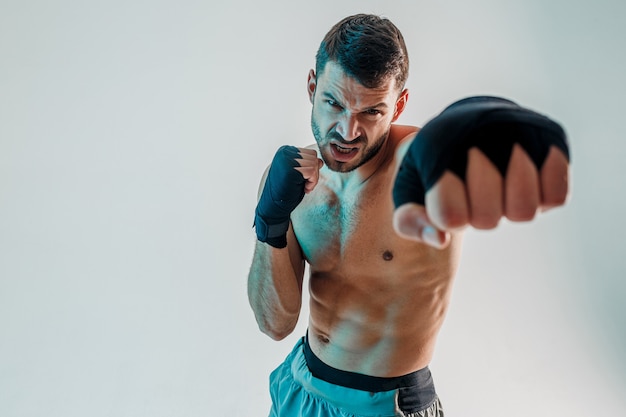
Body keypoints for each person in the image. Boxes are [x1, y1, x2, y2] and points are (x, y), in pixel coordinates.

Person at [248, 14, 570, 417]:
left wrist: (495, 125)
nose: (348, 131)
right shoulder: (291, 182)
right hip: (302, 390)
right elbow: (274, 324)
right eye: (334, 103)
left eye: (371, 112)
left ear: (398, 105)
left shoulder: (416, 166)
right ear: (312, 86)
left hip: (387, 406)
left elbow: (462, 145)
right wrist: (270, 223)